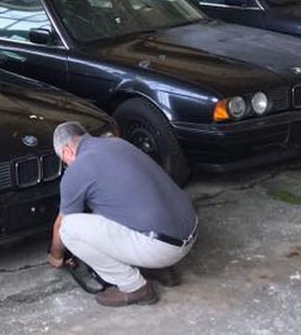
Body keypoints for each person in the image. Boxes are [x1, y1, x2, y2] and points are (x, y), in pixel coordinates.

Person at [47, 121, 197, 307]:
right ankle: (158, 268)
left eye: (64, 160)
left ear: (67, 151)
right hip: (190, 228)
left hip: (162, 247)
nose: (66, 164)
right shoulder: (119, 143)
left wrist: (55, 256)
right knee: (109, 205)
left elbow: (60, 224)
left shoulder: (77, 169)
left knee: (69, 229)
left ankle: (134, 287)